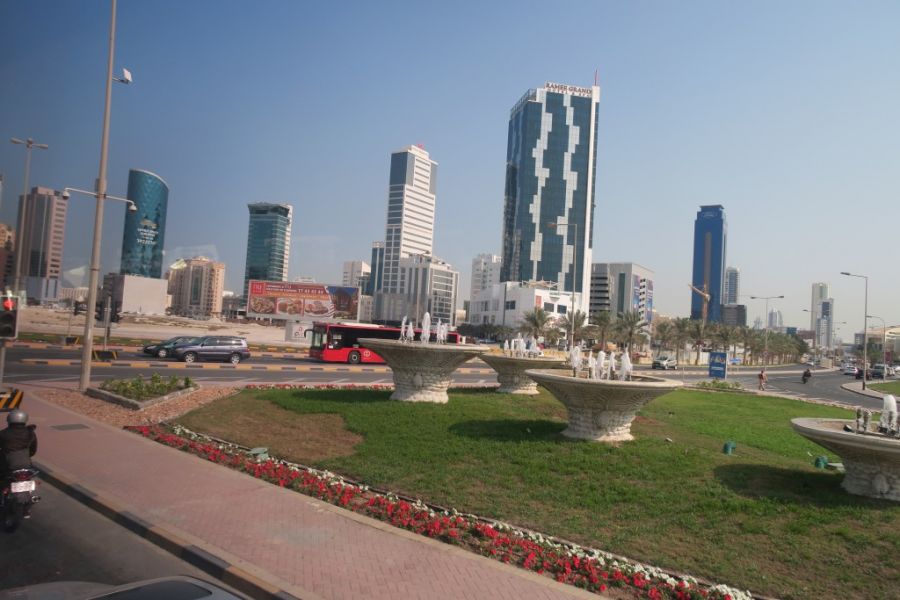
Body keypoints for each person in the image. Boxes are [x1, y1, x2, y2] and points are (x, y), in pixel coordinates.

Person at [0, 409, 38, 476]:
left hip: (7, 466)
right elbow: (33, 450)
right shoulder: (30, 433)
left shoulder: (3, 433)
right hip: (27, 465)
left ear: (9, 419)